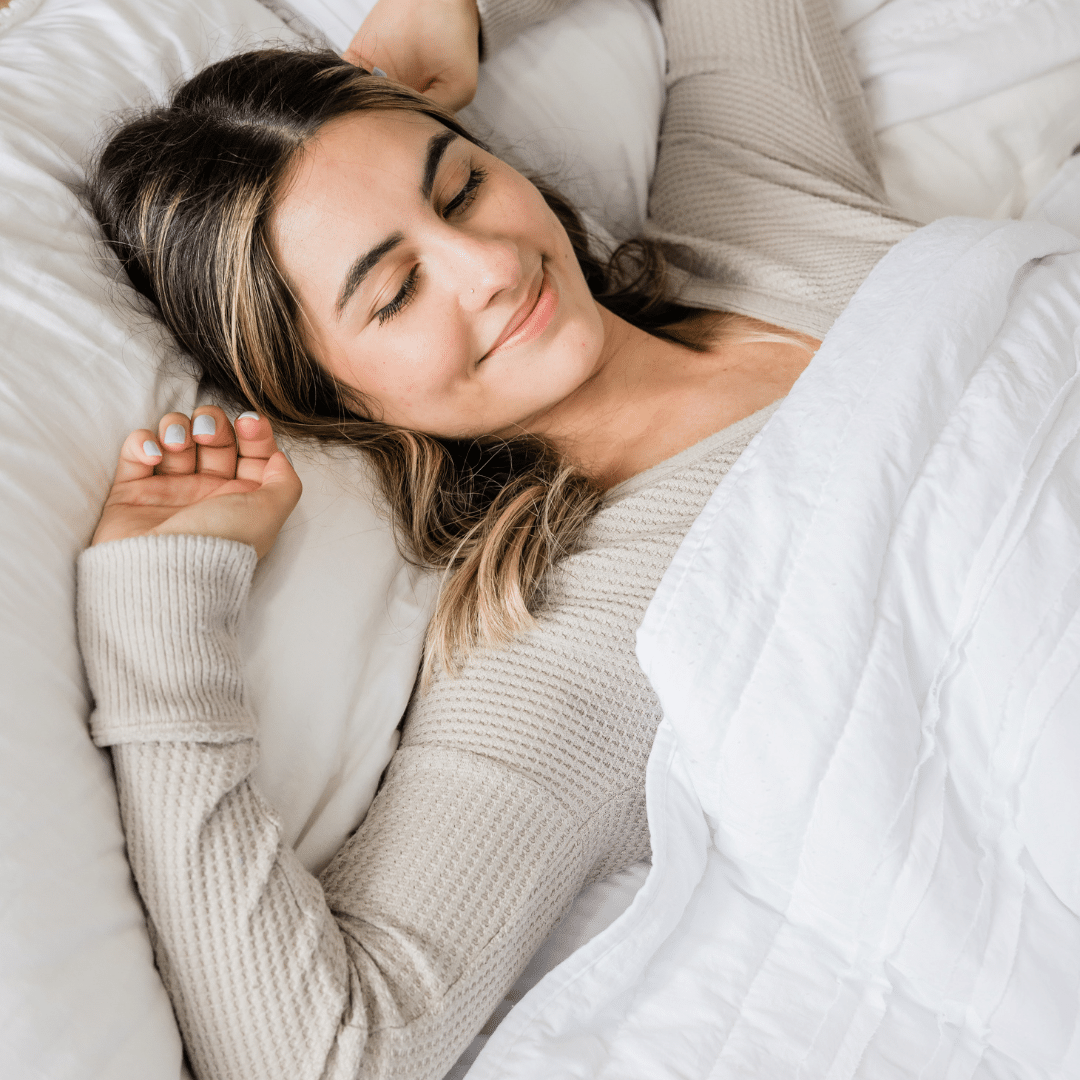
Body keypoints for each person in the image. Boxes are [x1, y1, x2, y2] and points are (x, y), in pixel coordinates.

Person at [77, 0, 916, 1077]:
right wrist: (159, 621)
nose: (489, 268)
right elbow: (332, 1052)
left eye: (462, 188)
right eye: (394, 291)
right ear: (332, 396)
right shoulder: (579, 636)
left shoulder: (758, 213)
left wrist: (457, 6)